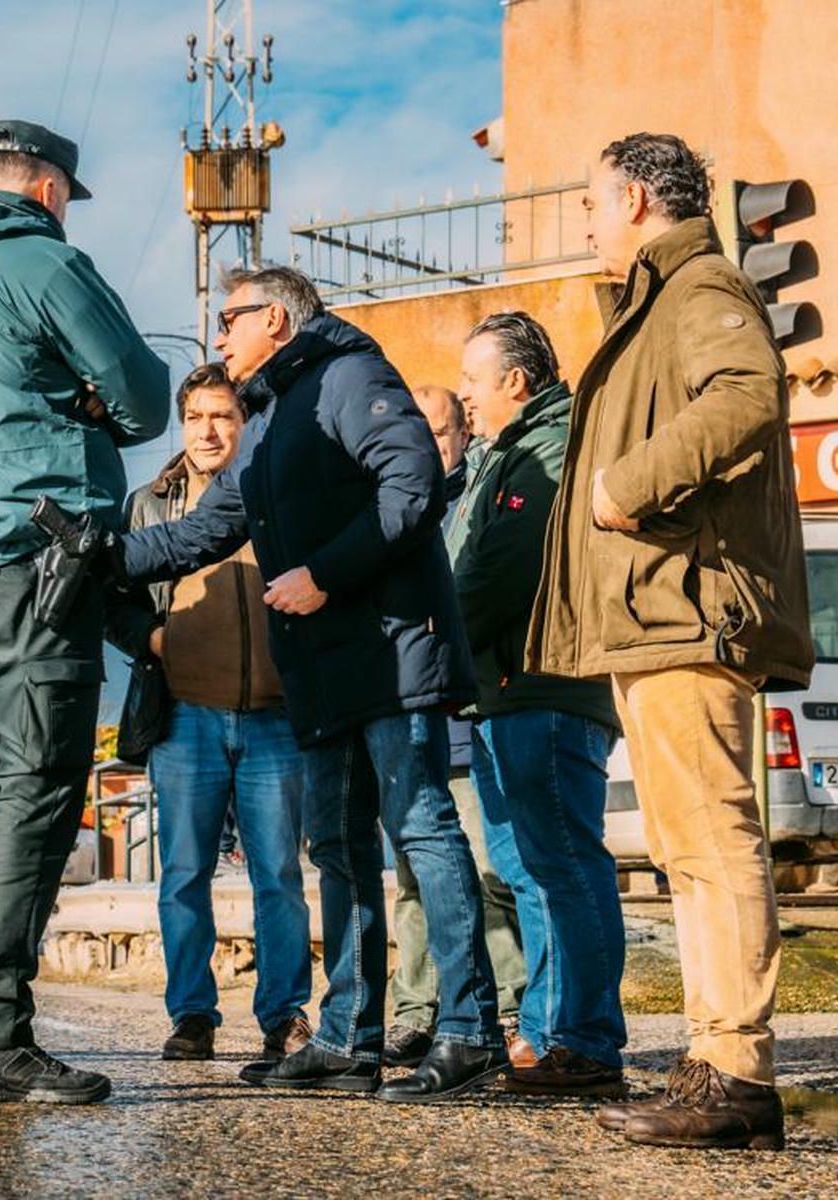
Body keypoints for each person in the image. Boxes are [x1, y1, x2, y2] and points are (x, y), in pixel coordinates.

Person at [119, 264, 504, 1103]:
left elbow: (411, 489)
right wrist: (93, 555)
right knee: (336, 846)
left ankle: (471, 1030)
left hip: (390, 652)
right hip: (324, 669)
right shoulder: (269, 416)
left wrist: (325, 573)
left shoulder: (351, 375)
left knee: (421, 831)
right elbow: (207, 529)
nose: (218, 335)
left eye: (230, 319)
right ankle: (347, 1038)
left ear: (279, 321)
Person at [527, 132, 813, 1150]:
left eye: (593, 201)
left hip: (686, 610)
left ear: (641, 200)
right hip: (660, 613)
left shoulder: (697, 289)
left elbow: (745, 396)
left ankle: (736, 1071)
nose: (584, 220)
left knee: (709, 845)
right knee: (690, 854)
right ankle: (713, 1061)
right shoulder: (662, 297)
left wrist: (621, 487)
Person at [0, 119, 168, 1106]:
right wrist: (89, 409)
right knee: (35, 797)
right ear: (46, 189)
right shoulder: (41, 264)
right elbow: (143, 400)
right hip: (37, 567)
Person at [109, 361, 313, 1065]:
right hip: (185, 716)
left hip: (274, 718)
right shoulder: (149, 506)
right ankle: (192, 1014)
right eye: (194, 416)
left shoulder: (279, 496)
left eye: (222, 415)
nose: (207, 429)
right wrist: (149, 637)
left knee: (278, 876)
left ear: (245, 424)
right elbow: (115, 598)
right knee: (184, 874)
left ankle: (283, 1014)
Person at [452, 311, 628, 1096]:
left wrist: (434, 644)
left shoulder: (546, 453)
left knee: (562, 867)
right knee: (530, 870)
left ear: (515, 383)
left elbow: (499, 572)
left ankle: (583, 1043)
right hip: (504, 692)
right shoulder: (509, 454)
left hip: (544, 689)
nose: (464, 397)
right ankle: (550, 1034)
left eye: (473, 381)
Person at [386, 384, 528, 1068]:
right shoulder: (392, 504)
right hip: (410, 720)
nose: (426, 445)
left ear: (462, 434)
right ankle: (415, 1010)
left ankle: (505, 1005)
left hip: (469, 721)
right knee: (413, 876)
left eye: (438, 432)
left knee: (486, 870)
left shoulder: (477, 498)